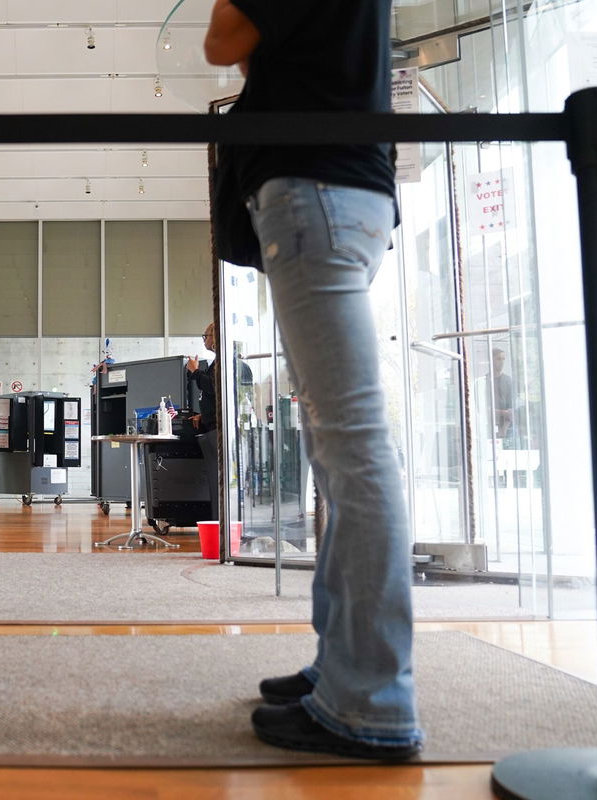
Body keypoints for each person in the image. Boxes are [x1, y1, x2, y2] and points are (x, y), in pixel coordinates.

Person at [206, 0, 422, 759]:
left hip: (315, 189)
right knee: (340, 449)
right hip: (344, 189)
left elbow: (222, 40)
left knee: (355, 448)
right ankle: (344, 670)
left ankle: (370, 702)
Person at [187, 323, 220, 518]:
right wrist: (204, 414)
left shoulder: (222, 362)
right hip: (211, 424)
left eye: (205, 335)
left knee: (218, 479)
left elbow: (214, 388)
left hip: (217, 429)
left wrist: (196, 371)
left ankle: (219, 523)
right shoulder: (218, 362)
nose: (204, 339)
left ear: (214, 337)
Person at [490, 347, 514, 440]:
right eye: (498, 359)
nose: (502, 362)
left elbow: (510, 409)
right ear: (491, 360)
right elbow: (485, 410)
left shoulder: (508, 380)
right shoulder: (486, 380)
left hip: (507, 429)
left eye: (503, 359)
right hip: (490, 428)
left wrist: (504, 429)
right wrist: (503, 413)